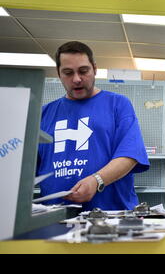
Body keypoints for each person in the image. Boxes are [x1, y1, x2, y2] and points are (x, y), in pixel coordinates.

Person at [36, 41, 149, 211]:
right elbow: (27, 166)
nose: (76, 79)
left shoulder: (117, 104)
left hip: (111, 216)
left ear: (94, 69)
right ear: (59, 74)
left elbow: (130, 155)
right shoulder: (44, 114)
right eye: (68, 73)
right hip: (54, 216)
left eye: (83, 71)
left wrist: (97, 180)